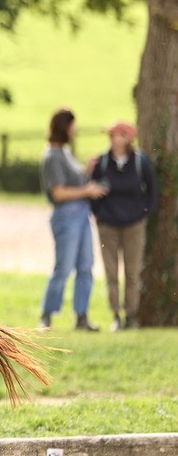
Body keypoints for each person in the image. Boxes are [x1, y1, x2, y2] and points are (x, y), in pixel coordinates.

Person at [39, 108, 107, 330]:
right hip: (66, 217)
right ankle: (46, 314)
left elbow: (74, 184)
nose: (74, 131)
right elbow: (59, 193)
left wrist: (87, 171)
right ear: (63, 127)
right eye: (72, 126)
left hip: (81, 216)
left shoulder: (66, 153)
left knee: (86, 266)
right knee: (64, 268)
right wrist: (87, 191)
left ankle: (81, 317)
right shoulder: (52, 156)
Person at [89, 121, 156, 330]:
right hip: (108, 225)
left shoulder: (140, 162)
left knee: (132, 272)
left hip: (134, 225)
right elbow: (92, 190)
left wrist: (144, 214)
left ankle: (131, 316)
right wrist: (98, 214)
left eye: (117, 135)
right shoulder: (101, 162)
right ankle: (116, 315)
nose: (112, 138)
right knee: (111, 273)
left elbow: (152, 191)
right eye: (110, 135)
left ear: (127, 138)